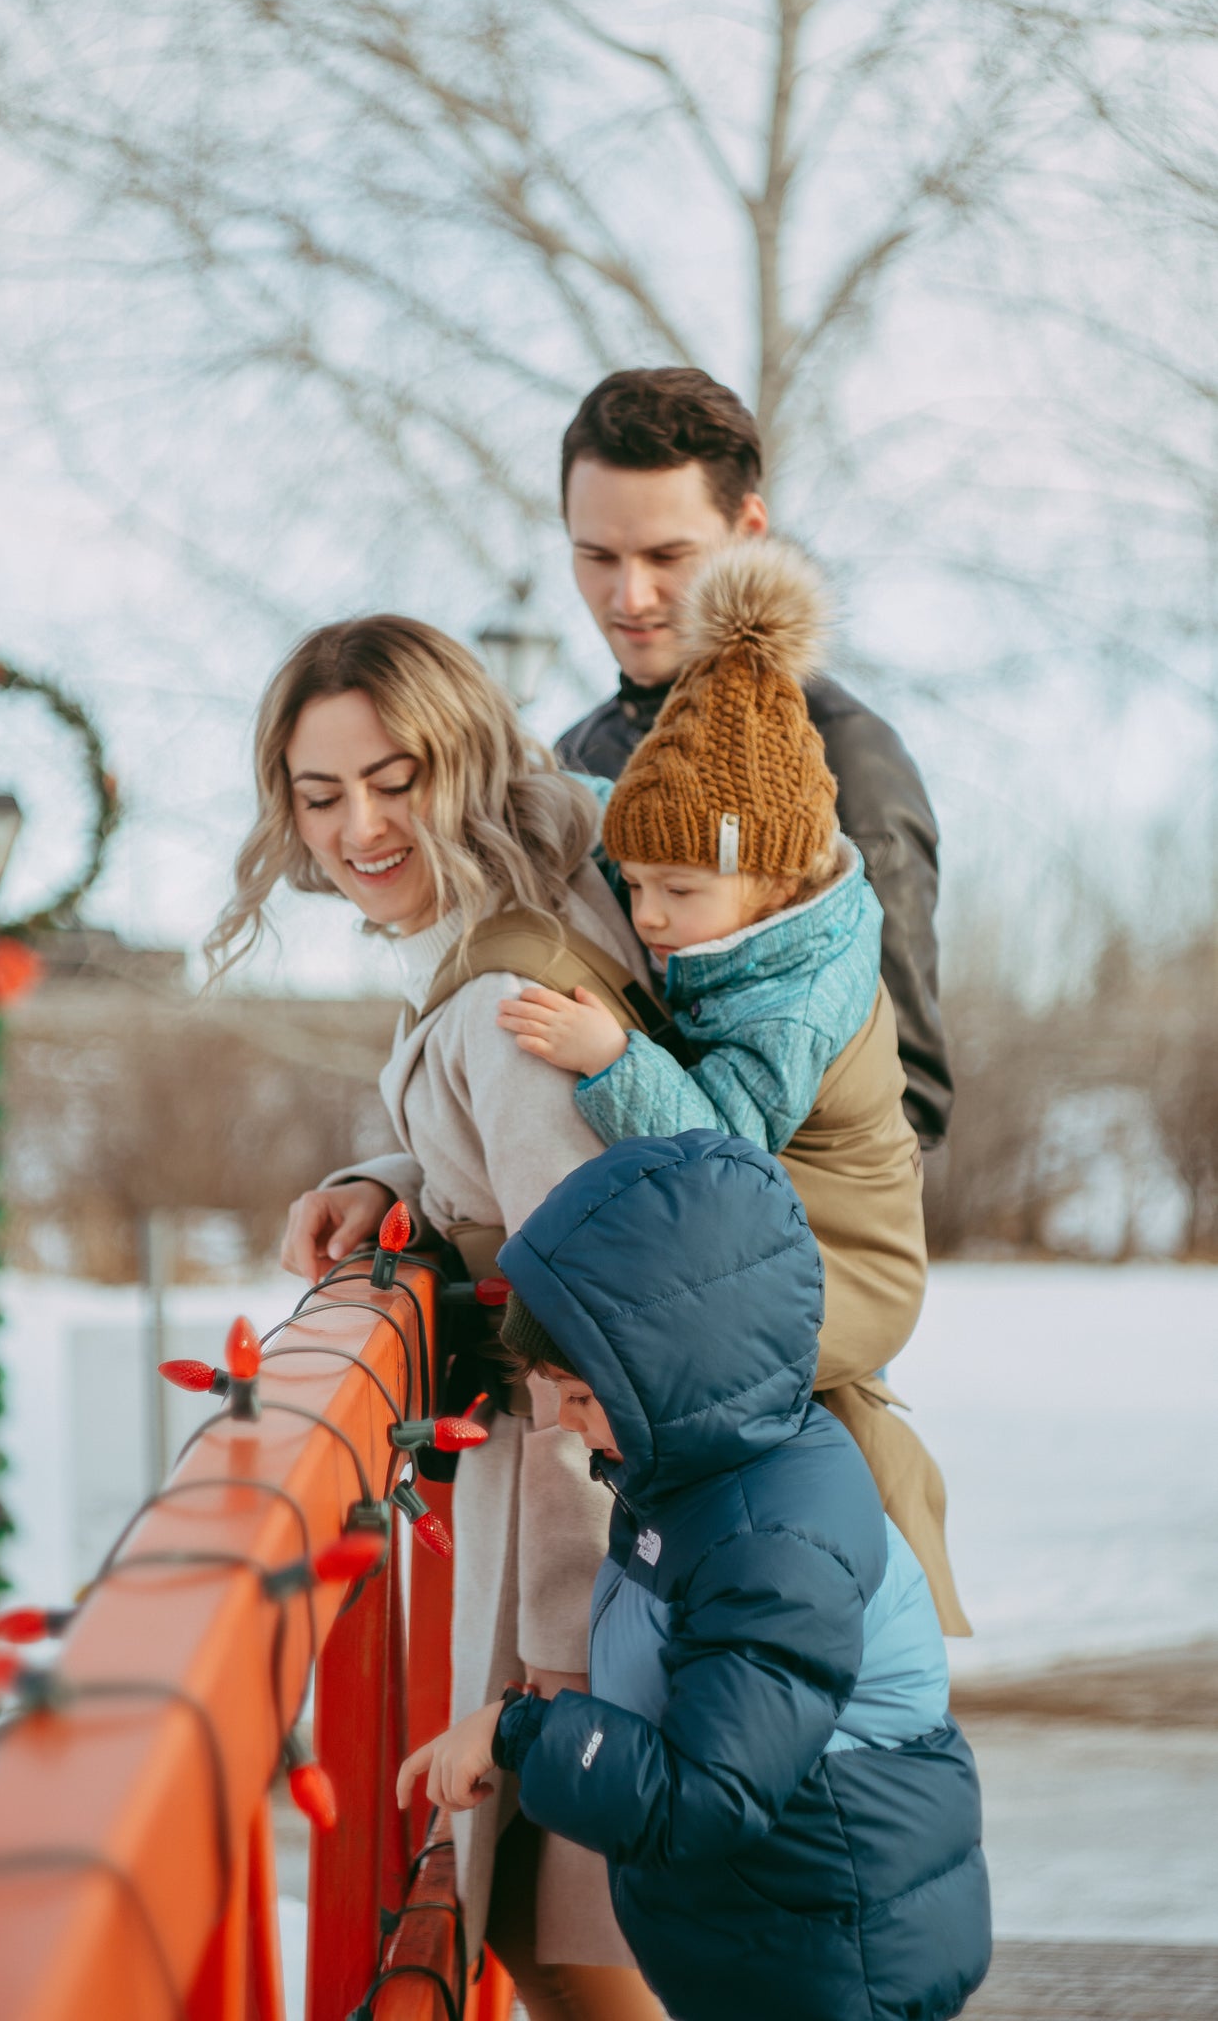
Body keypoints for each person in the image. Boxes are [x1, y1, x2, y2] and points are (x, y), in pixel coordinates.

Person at [211, 615, 665, 2020]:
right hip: (587, 1558)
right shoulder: (506, 930)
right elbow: (527, 1170)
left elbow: (607, 1303)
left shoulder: (503, 984)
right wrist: (386, 1181)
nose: (358, 828)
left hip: (591, 1565)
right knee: (554, 1935)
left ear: (461, 762)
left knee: (569, 1943)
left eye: (394, 779)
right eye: (321, 791)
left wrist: (557, 1664)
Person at [398, 1132, 992, 2021]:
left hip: (834, 1963)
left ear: (665, 1380)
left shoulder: (770, 1547)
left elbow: (703, 1799)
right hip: (781, 1940)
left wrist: (520, 1732)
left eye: (580, 1394)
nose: (557, 1420)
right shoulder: (698, 1473)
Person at [501, 537, 970, 1635]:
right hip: (786, 1239)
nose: (649, 914)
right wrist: (508, 775)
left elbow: (725, 1152)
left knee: (640, 1361)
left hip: (844, 1263)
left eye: (676, 888)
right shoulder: (726, 892)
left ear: (765, 878)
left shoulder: (793, 993)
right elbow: (616, 825)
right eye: (637, 883)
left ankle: (713, 1611)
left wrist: (609, 1059)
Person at [555, 366, 953, 1150]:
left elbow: (909, 1095)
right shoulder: (574, 756)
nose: (629, 596)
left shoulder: (844, 751)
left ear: (749, 531)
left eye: (667, 554)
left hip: (774, 1242)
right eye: (597, 556)